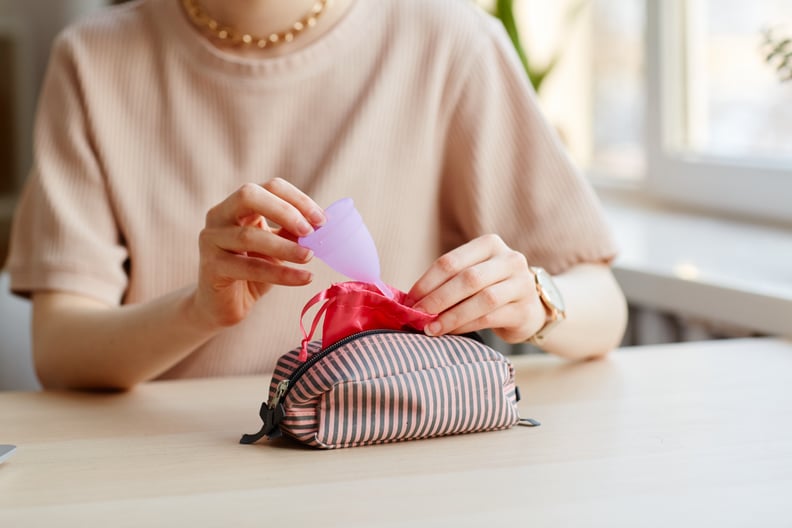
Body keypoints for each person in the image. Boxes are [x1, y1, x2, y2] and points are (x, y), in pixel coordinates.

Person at [6, 0, 627, 390]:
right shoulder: (92, 60)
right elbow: (60, 349)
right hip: (176, 472)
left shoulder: (452, 41)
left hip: (387, 466)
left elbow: (604, 307)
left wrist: (536, 301)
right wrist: (201, 310)